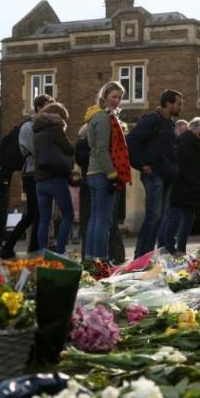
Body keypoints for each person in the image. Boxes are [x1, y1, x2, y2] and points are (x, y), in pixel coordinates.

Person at [126, 89, 183, 259]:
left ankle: (149, 255)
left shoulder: (170, 123)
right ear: (168, 103)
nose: (180, 107)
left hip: (166, 175)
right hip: (153, 174)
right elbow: (132, 140)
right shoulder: (152, 120)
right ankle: (141, 255)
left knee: (159, 218)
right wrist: (141, 164)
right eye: (178, 103)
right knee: (153, 216)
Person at [0, 93, 51, 260]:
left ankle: (10, 248)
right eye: (48, 107)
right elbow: (35, 151)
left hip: (37, 174)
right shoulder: (29, 127)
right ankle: (32, 251)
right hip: (31, 174)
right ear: (39, 107)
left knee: (34, 214)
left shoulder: (40, 126)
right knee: (37, 214)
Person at [83, 82, 129, 264]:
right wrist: (112, 174)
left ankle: (90, 260)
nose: (117, 101)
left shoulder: (94, 116)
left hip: (94, 172)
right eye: (113, 97)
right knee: (103, 221)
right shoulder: (102, 118)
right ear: (104, 97)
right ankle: (101, 261)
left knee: (95, 219)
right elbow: (102, 149)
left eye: (119, 97)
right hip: (103, 173)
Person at [159, 117, 200, 256]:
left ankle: (180, 249)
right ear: (193, 129)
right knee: (174, 217)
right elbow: (179, 165)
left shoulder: (194, 143)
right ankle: (168, 247)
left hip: (190, 187)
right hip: (182, 186)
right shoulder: (186, 143)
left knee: (187, 218)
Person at [32, 101, 74, 254]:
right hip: (56, 178)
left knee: (44, 219)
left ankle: (44, 254)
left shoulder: (36, 131)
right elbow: (69, 149)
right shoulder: (56, 129)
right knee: (68, 214)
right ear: (59, 116)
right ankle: (61, 251)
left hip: (40, 181)